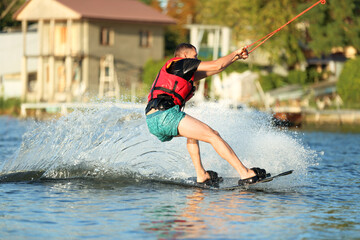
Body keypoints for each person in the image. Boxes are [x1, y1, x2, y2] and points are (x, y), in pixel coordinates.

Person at [145, 43, 266, 186]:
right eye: (195, 56)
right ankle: (245, 173)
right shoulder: (181, 64)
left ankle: (201, 174)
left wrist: (236, 58)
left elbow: (214, 70)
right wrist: (235, 52)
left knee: (193, 135)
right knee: (213, 135)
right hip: (165, 115)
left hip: (153, 120)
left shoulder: (177, 70)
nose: (197, 59)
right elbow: (217, 65)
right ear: (185, 55)